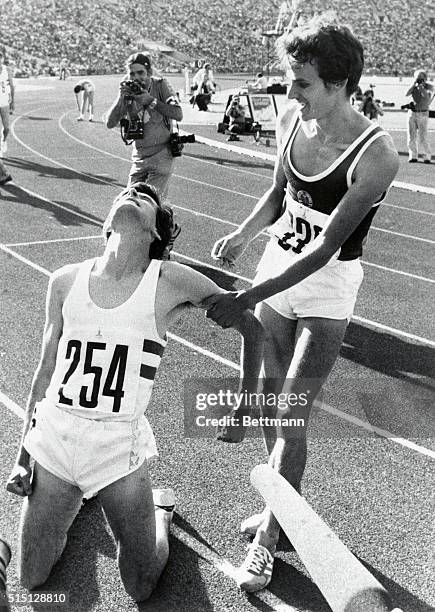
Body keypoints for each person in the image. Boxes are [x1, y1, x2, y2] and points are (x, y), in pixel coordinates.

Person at [205, 13, 399, 592]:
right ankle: (282, 514)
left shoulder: (376, 155)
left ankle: (266, 544)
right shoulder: (293, 118)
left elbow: (326, 250)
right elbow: (277, 195)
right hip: (273, 270)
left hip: (325, 288)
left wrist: (248, 296)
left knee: (292, 410)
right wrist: (242, 238)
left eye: (302, 82)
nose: (289, 92)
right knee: (271, 406)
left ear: (339, 85)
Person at [6, 182, 264, 601]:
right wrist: (22, 460)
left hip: (117, 447)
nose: (132, 194)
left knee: (140, 587)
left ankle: (159, 515)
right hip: (56, 436)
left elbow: (251, 328)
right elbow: (45, 373)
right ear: (107, 226)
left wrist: (243, 408)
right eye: (125, 195)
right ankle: (73, 502)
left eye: (145, 198)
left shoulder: (167, 281)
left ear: (154, 234)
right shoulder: (64, 280)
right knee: (32, 578)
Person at [106, 53, 183, 199]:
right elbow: (110, 123)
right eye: (132, 73)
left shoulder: (161, 86)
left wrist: (151, 101)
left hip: (162, 155)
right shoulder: (127, 91)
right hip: (139, 157)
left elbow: (178, 114)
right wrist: (120, 98)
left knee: (150, 204)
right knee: (128, 201)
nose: (136, 77)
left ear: (150, 72)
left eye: (140, 73)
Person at [405, 69, 434, 163]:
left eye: (421, 78)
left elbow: (427, 98)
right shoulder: (413, 86)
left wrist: (421, 87)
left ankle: (427, 155)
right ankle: (413, 155)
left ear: (425, 78)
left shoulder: (429, 87)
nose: (419, 80)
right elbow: (406, 94)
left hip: (423, 113)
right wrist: (414, 85)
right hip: (412, 113)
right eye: (417, 78)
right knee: (411, 136)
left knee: (423, 137)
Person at [0, 50, 14, 158]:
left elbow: (12, 86)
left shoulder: (6, 69)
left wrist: (13, 101)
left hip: (4, 102)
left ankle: (4, 140)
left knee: (7, 128)